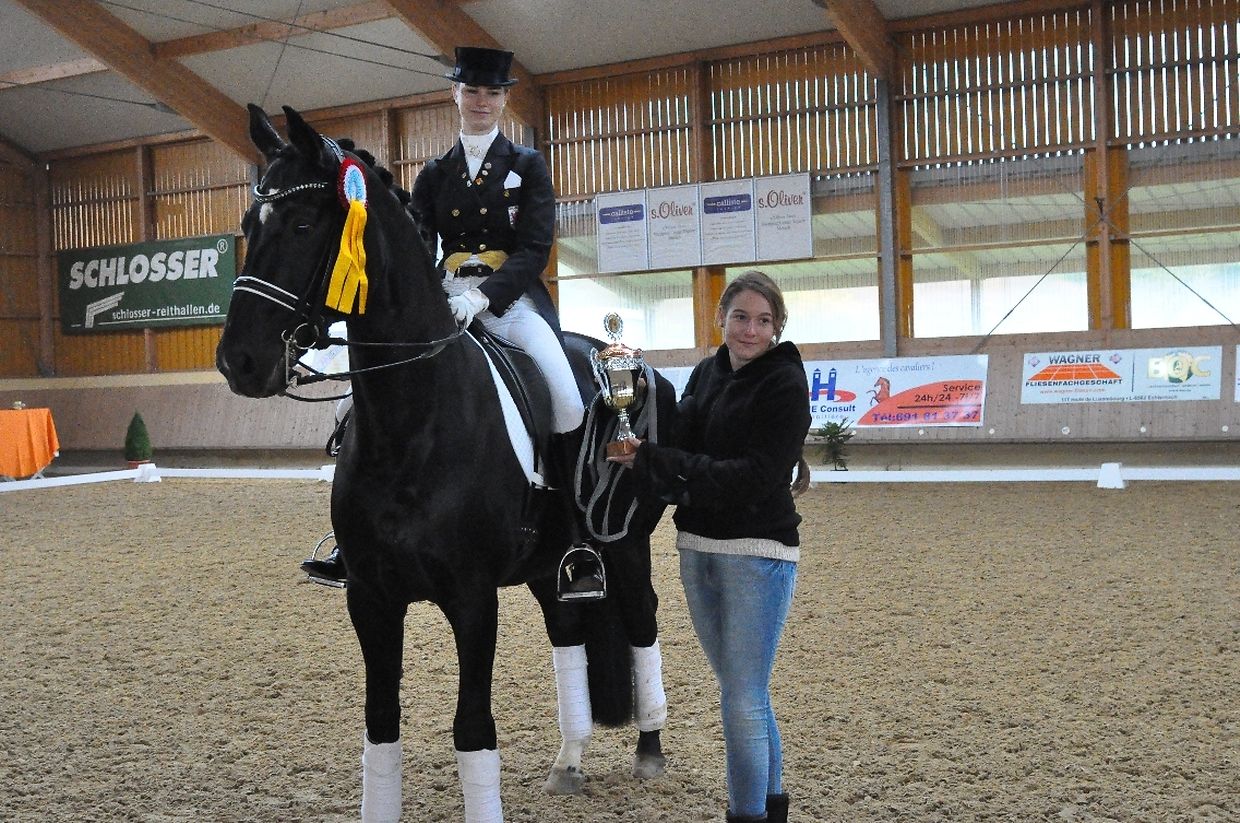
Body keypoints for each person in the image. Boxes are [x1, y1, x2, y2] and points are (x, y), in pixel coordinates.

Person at [301, 46, 600, 594]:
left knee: (566, 398)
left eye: (493, 92)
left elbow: (535, 249)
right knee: (354, 404)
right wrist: (433, 298)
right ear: (455, 94)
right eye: (472, 91)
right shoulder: (435, 174)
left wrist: (482, 298)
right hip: (442, 301)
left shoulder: (527, 166)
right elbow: (416, 247)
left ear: (504, 100)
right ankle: (354, 537)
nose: (482, 101)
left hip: (510, 304)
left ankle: (575, 535)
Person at [609, 270, 810, 823]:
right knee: (746, 693)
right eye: (740, 317)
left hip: (757, 553)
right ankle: (771, 806)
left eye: (763, 320)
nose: (750, 330)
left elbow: (753, 477)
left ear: (777, 326)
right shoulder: (707, 372)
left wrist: (660, 461)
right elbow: (681, 439)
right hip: (697, 545)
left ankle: (747, 814)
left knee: (741, 700)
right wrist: (635, 394)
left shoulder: (785, 385)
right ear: (721, 318)